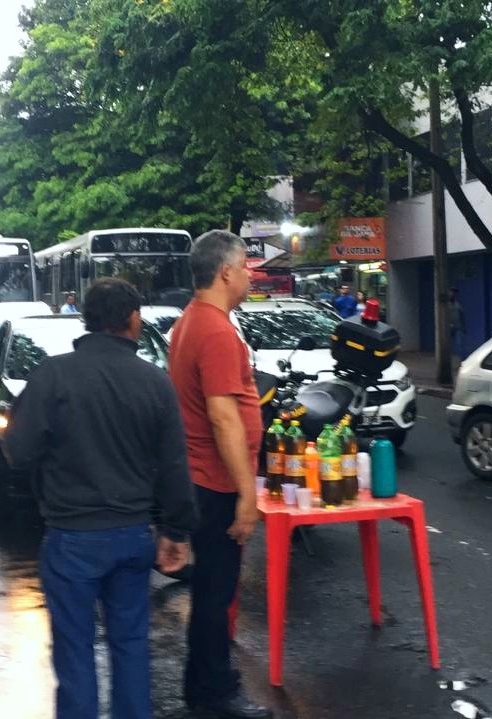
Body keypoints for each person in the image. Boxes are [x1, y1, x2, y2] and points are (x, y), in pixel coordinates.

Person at [4, 277, 198, 719]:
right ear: (133, 320)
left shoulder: (52, 375)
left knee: (74, 651)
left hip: (70, 537)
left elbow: (18, 451)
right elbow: (173, 465)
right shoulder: (154, 382)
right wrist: (176, 530)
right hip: (132, 537)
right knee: (130, 644)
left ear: (87, 321)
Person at [168, 230, 272, 719]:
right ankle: (214, 697)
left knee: (212, 590)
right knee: (215, 594)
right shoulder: (211, 329)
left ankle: (208, 685)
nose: (251, 274)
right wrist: (246, 495)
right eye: (246, 265)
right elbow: (222, 416)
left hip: (203, 479)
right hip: (215, 484)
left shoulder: (194, 321)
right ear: (225, 271)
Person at [448, 287, 466, 358]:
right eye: (452, 292)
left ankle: (461, 359)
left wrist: (464, 326)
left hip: (457, 325)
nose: (453, 294)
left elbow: (461, 314)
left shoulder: (457, 303)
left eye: (455, 293)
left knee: (459, 343)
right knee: (448, 344)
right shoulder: (446, 304)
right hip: (448, 326)